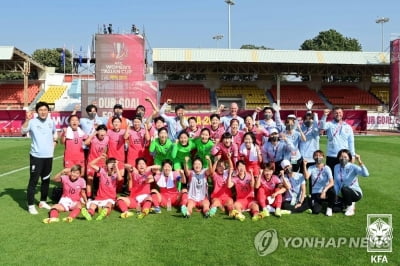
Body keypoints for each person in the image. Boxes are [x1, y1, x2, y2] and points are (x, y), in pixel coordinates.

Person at [21, 101, 58, 215]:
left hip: (48, 157)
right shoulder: (32, 122)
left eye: (45, 110)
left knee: (46, 180)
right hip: (36, 156)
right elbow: (22, 131)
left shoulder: (51, 122)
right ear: (37, 111)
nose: (43, 112)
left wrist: (53, 147)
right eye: (40, 110)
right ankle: (31, 205)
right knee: (33, 181)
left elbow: (55, 135)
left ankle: (42, 201)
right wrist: (27, 119)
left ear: (48, 111)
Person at [81, 155, 123, 221]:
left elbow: (120, 179)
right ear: (106, 165)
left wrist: (117, 166)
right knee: (92, 204)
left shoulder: (116, 174)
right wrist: (99, 158)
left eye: (113, 164)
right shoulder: (102, 171)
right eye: (110, 164)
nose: (112, 165)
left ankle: (103, 214)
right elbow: (91, 164)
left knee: (109, 205)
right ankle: (89, 214)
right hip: (99, 197)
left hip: (110, 198)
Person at [333, 149, 369, 216]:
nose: (343, 159)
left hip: (355, 193)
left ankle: (350, 207)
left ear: (349, 158)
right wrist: (336, 195)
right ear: (338, 157)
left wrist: (359, 161)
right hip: (342, 193)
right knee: (335, 209)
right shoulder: (336, 167)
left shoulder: (353, 167)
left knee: (345, 189)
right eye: (341, 156)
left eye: (345, 157)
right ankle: (345, 203)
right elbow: (336, 182)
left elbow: (366, 174)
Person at [320, 107, 355, 174]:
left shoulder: (348, 127)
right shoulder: (329, 124)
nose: (338, 114)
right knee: (331, 178)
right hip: (331, 156)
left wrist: (352, 156)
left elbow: (351, 142)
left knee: (343, 178)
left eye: (340, 113)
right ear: (333, 114)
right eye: (336, 113)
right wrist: (324, 115)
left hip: (344, 157)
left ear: (342, 113)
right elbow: (322, 127)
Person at [303, 150, 335, 216]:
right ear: (313, 157)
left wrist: (324, 191)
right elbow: (306, 177)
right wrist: (304, 165)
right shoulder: (311, 167)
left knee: (332, 191)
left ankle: (329, 208)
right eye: (316, 156)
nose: (318, 157)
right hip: (315, 192)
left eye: (320, 156)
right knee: (316, 211)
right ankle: (319, 202)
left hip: (325, 191)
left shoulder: (327, 168)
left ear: (323, 157)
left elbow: (331, 182)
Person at [84, 125, 109, 199]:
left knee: (101, 181)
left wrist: (104, 159)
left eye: (104, 131)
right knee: (89, 180)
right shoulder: (93, 138)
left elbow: (106, 148)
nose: (102, 132)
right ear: (97, 132)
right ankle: (89, 197)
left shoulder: (107, 139)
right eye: (100, 131)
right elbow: (86, 143)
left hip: (101, 163)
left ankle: (99, 195)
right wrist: (93, 134)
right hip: (91, 162)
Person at [299, 101, 320, 169]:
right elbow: (308, 117)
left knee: (313, 177)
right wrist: (308, 111)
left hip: (313, 157)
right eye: (306, 120)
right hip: (302, 157)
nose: (308, 121)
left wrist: (310, 110)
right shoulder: (302, 128)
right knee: (302, 176)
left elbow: (315, 124)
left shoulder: (314, 130)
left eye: (310, 120)